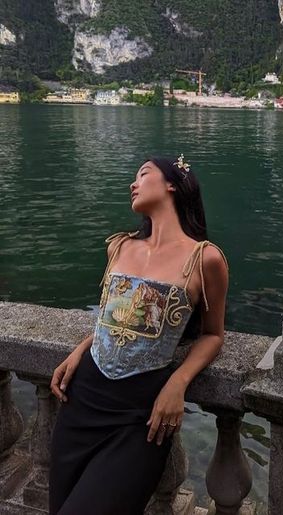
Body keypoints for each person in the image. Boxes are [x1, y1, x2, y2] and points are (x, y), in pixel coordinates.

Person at [48, 154, 229, 514]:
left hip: (140, 415)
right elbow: (112, 317)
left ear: (172, 184)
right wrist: (81, 349)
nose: (133, 183)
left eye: (143, 174)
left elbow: (213, 335)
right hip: (81, 398)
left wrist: (177, 383)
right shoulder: (120, 246)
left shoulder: (205, 258)